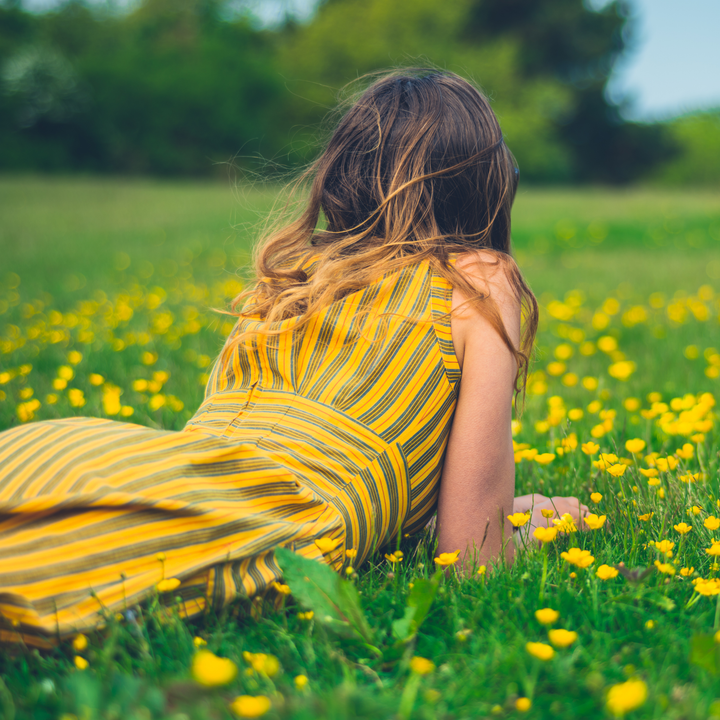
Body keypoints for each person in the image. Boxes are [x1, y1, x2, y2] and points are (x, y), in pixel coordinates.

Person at [0, 68, 588, 648]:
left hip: (84, 458)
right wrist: (524, 527)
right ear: (481, 185)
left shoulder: (294, 280)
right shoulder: (480, 278)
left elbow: (248, 459)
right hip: (245, 521)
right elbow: (472, 560)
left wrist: (436, 518)